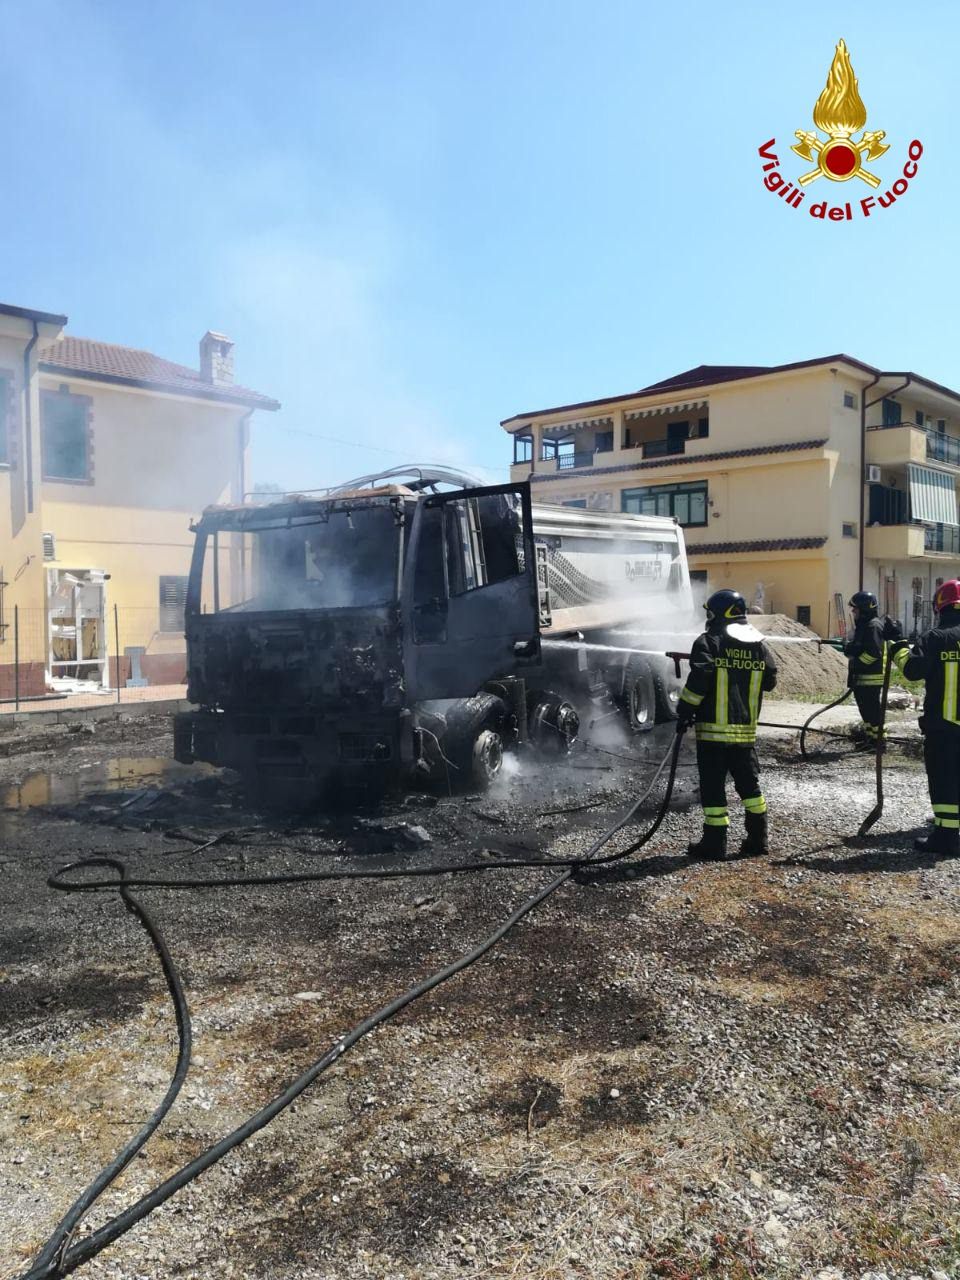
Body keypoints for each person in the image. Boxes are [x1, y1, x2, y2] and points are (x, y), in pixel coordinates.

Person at [675, 588, 778, 861]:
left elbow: (699, 682)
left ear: (718, 614)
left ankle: (714, 844)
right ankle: (758, 840)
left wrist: (683, 710)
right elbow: (770, 680)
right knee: (749, 787)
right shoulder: (758, 645)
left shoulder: (708, 641)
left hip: (713, 734)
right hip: (745, 734)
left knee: (713, 788)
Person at [894, 578, 960, 858]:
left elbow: (912, 670)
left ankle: (946, 837)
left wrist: (897, 646)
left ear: (939, 607)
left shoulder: (935, 638)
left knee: (945, 779)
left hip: (944, 726)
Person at [844, 591, 889, 748]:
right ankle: (871, 739)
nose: (853, 612)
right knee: (866, 712)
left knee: (872, 712)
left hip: (870, 679)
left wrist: (857, 663)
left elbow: (873, 653)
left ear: (864, 610)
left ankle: (878, 743)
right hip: (863, 679)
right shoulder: (864, 626)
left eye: (855, 609)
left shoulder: (873, 626)